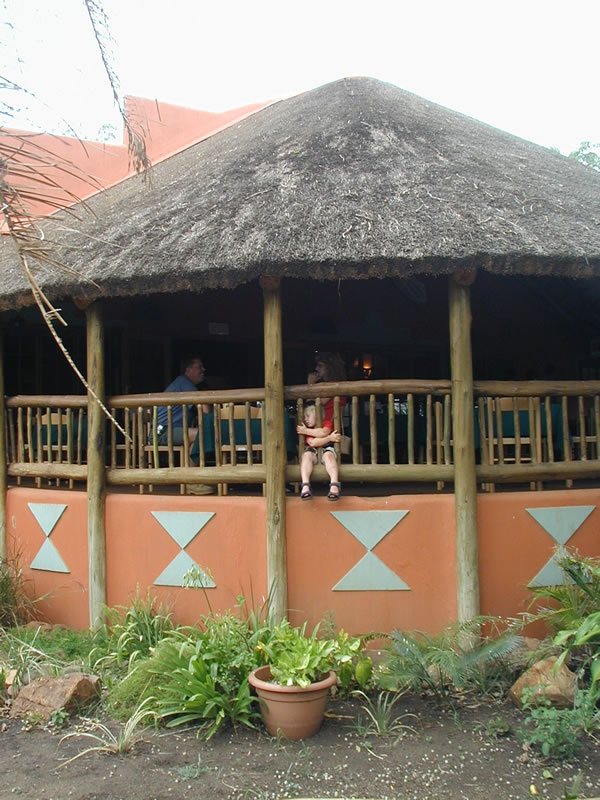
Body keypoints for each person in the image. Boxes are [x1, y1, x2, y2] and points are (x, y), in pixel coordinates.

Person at [157, 356, 214, 495]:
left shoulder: (185, 384)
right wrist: (211, 419)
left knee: (199, 435)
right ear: (189, 370)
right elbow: (203, 406)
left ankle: (191, 478)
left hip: (174, 430)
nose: (203, 369)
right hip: (163, 432)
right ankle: (191, 481)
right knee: (202, 434)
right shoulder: (183, 382)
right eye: (199, 367)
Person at [296, 404, 342, 500]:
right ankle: (305, 484)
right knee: (306, 456)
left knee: (329, 456)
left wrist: (306, 431)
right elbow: (313, 443)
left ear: (317, 415)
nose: (305, 419)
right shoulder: (308, 429)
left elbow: (323, 432)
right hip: (313, 451)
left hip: (326, 449)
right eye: (304, 417)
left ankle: (334, 483)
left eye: (308, 416)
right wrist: (329, 438)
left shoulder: (326, 423)